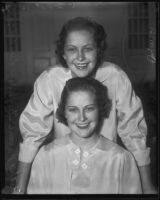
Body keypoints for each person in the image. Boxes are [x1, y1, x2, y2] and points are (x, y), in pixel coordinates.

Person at [13, 17, 156, 194]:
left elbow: (133, 133)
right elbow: (32, 134)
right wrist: (19, 188)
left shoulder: (115, 76)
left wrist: (148, 186)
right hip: (63, 165)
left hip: (106, 167)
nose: (80, 57)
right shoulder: (50, 79)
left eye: (88, 49)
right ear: (63, 53)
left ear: (99, 50)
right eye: (72, 50)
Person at [27, 77, 142, 194]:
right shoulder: (46, 156)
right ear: (64, 112)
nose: (82, 118)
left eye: (89, 109)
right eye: (73, 110)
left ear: (100, 109)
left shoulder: (121, 159)